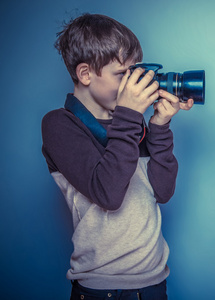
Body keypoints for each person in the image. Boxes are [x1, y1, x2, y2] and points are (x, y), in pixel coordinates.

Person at [41, 13, 193, 299]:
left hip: (154, 282)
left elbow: (162, 191)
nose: (130, 85)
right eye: (123, 74)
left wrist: (159, 127)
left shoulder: (129, 123)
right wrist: (130, 115)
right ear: (85, 74)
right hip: (102, 288)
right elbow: (108, 194)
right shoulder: (59, 124)